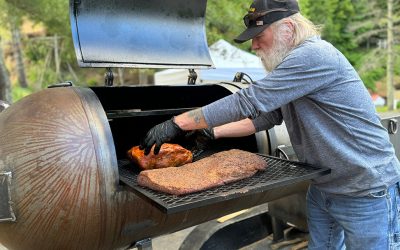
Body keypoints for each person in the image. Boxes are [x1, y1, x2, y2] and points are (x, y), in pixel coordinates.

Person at [140, 0, 400, 248]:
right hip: (325, 188)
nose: (253, 46)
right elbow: (267, 117)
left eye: (258, 35)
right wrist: (212, 131)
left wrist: (179, 122)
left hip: (366, 189)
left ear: (287, 28)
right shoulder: (289, 68)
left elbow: (249, 101)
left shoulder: (314, 55)